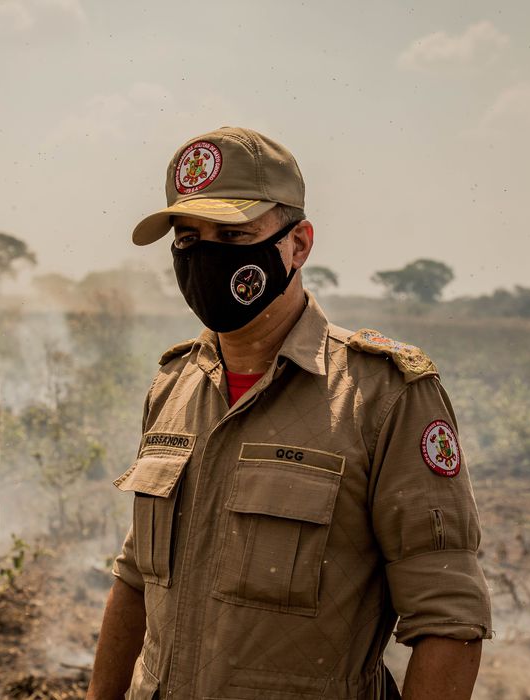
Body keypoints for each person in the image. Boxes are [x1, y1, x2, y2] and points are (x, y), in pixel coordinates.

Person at [87, 127, 491, 700]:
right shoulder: (174, 385)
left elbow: (448, 617)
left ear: (298, 245)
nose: (205, 257)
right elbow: (136, 579)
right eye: (188, 238)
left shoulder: (382, 397)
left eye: (233, 234)